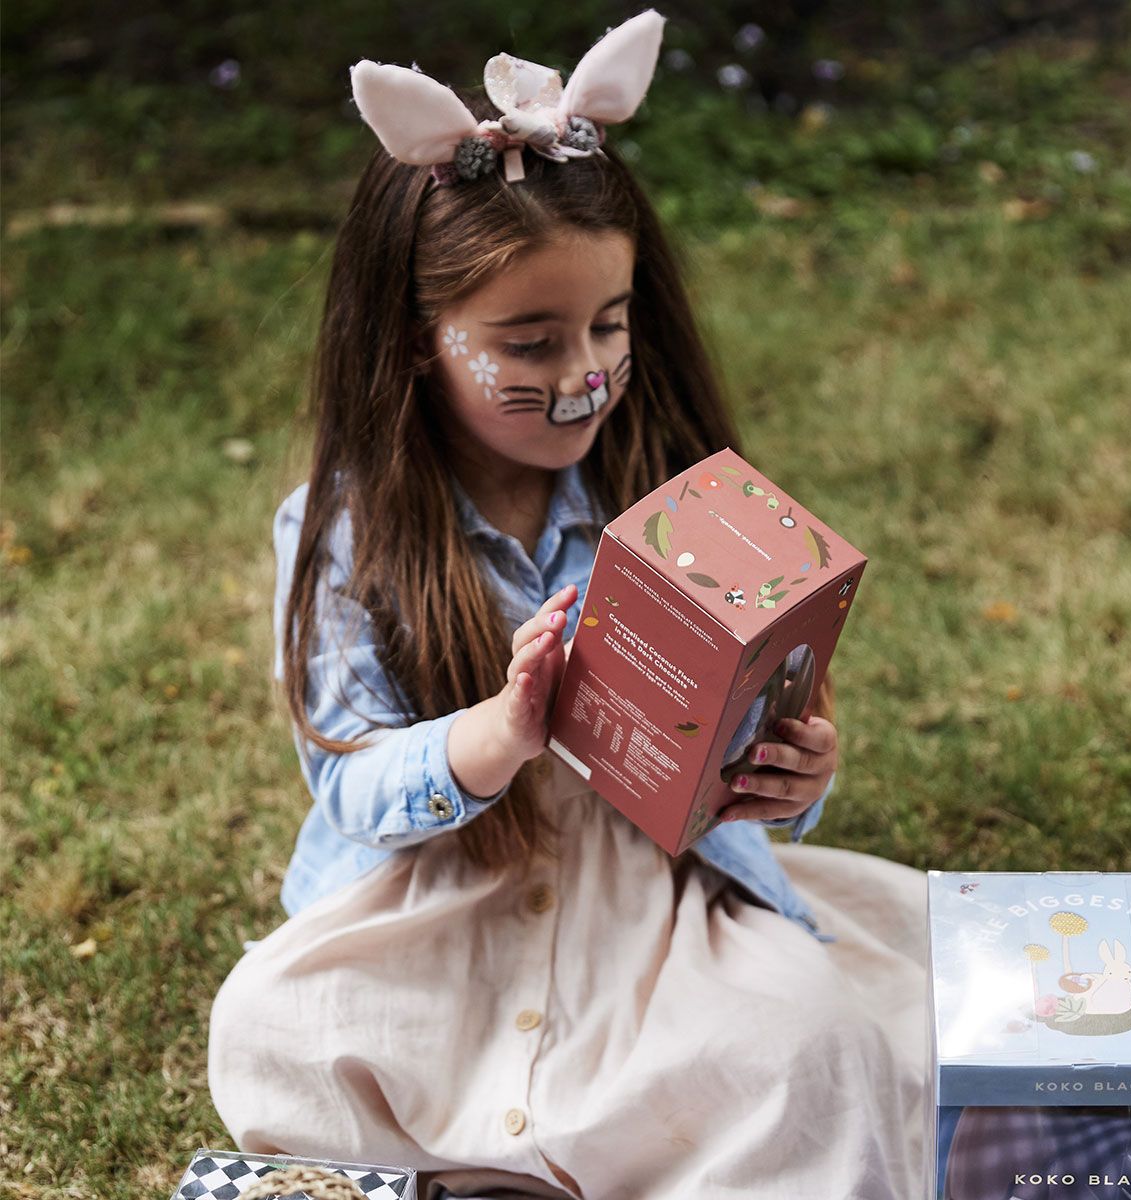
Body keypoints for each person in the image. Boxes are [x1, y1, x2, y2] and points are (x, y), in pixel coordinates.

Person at [208, 12, 929, 1198]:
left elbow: (750, 741)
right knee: (266, 1024)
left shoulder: (689, 500)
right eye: (527, 344)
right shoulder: (344, 528)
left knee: (811, 1042)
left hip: (654, 901)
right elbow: (350, 783)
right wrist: (497, 735)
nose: (583, 372)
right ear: (416, 339)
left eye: (609, 324)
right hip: (434, 901)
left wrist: (797, 779)